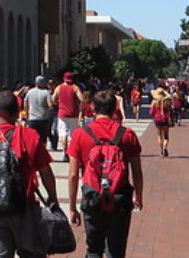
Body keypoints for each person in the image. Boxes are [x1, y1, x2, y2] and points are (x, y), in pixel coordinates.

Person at [0, 90, 59, 258]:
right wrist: (52, 197)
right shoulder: (29, 136)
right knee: (32, 253)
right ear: (17, 112)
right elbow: (45, 171)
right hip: (24, 207)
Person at [67, 89, 144, 258]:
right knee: (116, 251)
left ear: (93, 107)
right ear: (114, 107)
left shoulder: (80, 134)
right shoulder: (127, 134)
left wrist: (72, 207)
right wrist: (138, 196)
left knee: (93, 250)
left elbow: (73, 174)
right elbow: (137, 172)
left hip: (92, 197)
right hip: (119, 198)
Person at [52, 71, 81, 162]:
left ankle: (65, 153)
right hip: (73, 114)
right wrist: (79, 107)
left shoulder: (59, 87)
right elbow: (82, 99)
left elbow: (53, 98)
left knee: (63, 134)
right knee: (71, 135)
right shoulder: (75, 88)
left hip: (62, 114)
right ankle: (70, 152)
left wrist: (57, 104)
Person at [24, 75, 52, 147]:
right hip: (43, 118)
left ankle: (32, 154)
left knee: (32, 138)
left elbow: (25, 104)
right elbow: (50, 105)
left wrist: (27, 115)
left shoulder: (30, 92)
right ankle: (42, 154)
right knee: (43, 139)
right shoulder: (46, 92)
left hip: (32, 118)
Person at [150, 85, 173, 157]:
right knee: (166, 135)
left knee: (159, 135)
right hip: (165, 119)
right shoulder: (167, 102)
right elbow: (170, 111)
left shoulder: (154, 102)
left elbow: (151, 112)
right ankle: (165, 147)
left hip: (157, 119)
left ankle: (161, 150)